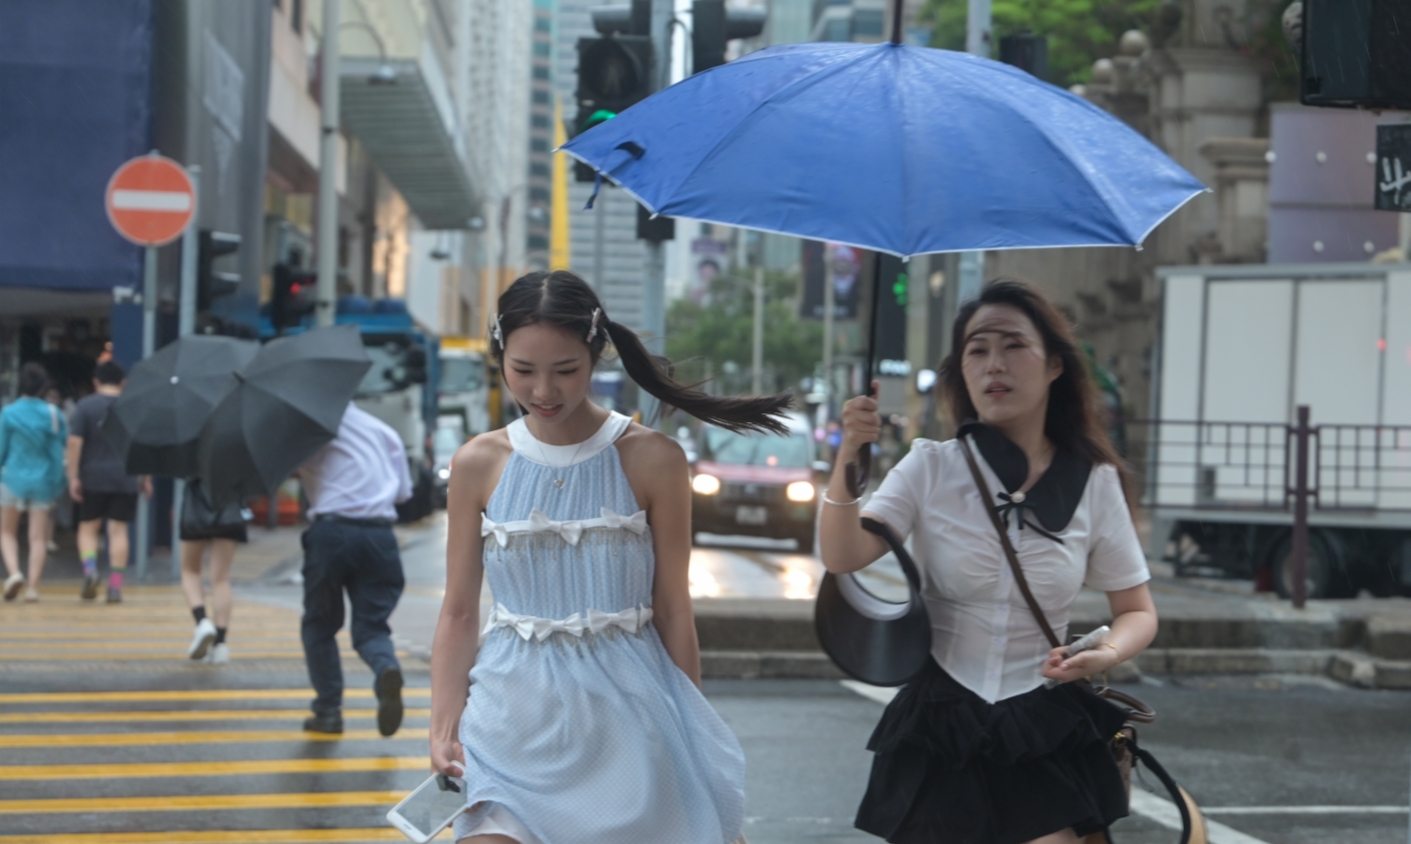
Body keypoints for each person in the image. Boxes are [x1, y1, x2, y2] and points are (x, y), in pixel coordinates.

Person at [430, 270, 791, 843]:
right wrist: (444, 724)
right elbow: (458, 612)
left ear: (596, 355)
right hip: (508, 713)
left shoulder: (654, 459)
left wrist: (692, 728)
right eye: (523, 370)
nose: (543, 391)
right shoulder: (478, 462)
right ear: (499, 356)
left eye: (565, 371)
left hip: (630, 717)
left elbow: (673, 607)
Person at [820, 279, 1159, 844]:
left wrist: (1103, 653)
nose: (993, 364)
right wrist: (848, 456)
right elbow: (843, 553)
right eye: (977, 349)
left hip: (1043, 721)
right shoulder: (930, 466)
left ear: (1054, 364)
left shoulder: (1093, 481)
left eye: (1012, 346)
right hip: (941, 722)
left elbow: (1137, 611)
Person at [297, 402, 412, 736]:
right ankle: (385, 667)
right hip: (380, 536)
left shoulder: (306, 432)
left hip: (331, 532)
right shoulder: (383, 431)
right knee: (372, 626)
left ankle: (328, 711)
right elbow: (403, 493)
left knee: (320, 624)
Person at [66, 360, 151, 603]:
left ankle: (91, 570)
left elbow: (74, 443)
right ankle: (115, 587)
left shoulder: (85, 406)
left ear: (96, 382)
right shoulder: (133, 407)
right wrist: (145, 478)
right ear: (123, 382)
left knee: (88, 528)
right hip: (125, 478)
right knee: (118, 531)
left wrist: (73, 477)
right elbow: (142, 446)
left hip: (92, 477)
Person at [1, 363, 68, 602]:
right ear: (43, 387)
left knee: (7, 532)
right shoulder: (53, 414)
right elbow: (60, 449)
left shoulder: (8, 413)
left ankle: (14, 573)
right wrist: (59, 481)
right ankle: (32, 587)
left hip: (12, 479)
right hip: (43, 481)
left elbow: (1, 450)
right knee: (38, 537)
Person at [179, 478, 247, 664]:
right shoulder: (236, 450)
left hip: (196, 501)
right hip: (230, 502)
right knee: (221, 578)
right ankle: (221, 645)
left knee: (190, 570)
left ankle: (202, 622)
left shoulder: (189, 449)